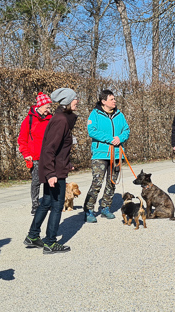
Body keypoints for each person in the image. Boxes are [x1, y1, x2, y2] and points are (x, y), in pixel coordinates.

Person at [24, 88, 79, 254]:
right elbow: (49, 149)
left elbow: (59, 149)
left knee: (46, 202)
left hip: (56, 168)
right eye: (74, 99)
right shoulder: (61, 120)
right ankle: (50, 242)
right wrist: (50, 173)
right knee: (56, 205)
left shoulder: (60, 118)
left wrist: (67, 165)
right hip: (54, 171)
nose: (77, 101)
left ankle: (33, 236)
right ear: (67, 102)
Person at [83, 90, 130, 223]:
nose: (114, 101)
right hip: (100, 154)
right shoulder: (95, 114)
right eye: (111, 99)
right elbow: (92, 131)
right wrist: (110, 139)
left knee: (112, 183)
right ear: (103, 101)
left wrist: (120, 138)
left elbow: (127, 130)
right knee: (97, 182)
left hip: (116, 154)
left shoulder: (119, 115)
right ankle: (88, 209)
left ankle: (105, 207)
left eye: (114, 99)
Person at [18, 92, 53, 215]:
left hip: (49, 156)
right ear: (39, 106)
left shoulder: (51, 119)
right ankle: (35, 204)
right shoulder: (29, 120)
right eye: (47, 107)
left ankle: (47, 202)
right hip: (35, 156)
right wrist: (25, 153)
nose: (48, 110)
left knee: (50, 180)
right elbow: (22, 139)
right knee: (36, 181)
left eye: (49, 108)